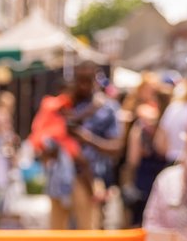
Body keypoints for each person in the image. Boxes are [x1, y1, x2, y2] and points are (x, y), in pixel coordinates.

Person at [31, 63, 121, 229]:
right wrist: (49, 151)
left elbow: (116, 147)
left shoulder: (107, 108)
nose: (83, 86)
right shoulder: (65, 102)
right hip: (60, 175)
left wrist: (88, 139)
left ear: (95, 80)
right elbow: (48, 129)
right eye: (79, 80)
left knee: (88, 232)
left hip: (89, 176)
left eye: (87, 80)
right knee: (57, 233)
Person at [121, 103, 169, 227]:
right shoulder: (162, 129)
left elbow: (132, 160)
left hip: (144, 180)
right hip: (156, 177)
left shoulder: (139, 130)